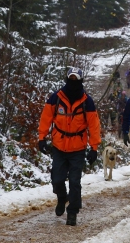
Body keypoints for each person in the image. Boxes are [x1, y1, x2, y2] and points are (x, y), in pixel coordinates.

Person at [38, 68, 101, 226]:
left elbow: (94, 126)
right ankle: (61, 197)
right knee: (57, 179)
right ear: (67, 80)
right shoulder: (56, 98)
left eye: (76, 79)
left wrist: (94, 148)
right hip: (58, 146)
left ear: (80, 81)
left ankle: (72, 212)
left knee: (74, 182)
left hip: (78, 149)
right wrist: (41, 137)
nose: (73, 82)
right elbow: (46, 118)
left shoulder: (87, 102)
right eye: (70, 79)